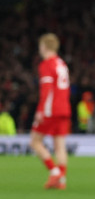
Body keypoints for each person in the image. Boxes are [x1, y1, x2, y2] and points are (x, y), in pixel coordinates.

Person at [30, 33, 72, 190]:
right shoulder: (62, 64)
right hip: (64, 109)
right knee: (60, 145)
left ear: (44, 47)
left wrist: (40, 110)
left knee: (34, 141)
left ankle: (55, 172)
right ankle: (61, 180)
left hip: (50, 110)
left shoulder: (47, 64)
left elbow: (46, 89)